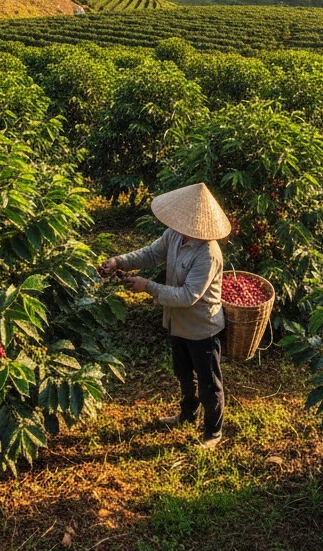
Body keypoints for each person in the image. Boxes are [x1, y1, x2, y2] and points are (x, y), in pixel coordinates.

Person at [99, 182, 230, 450]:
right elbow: (151, 253)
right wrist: (119, 261)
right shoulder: (174, 235)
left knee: (209, 383)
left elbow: (188, 296)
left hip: (202, 328)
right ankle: (187, 414)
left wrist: (148, 287)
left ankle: (213, 432)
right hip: (178, 324)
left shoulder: (208, 253)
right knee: (184, 373)